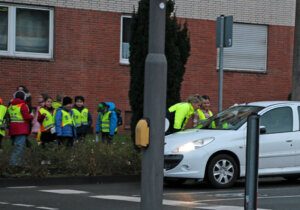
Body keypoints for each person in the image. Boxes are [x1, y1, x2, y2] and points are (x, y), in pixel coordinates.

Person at [8, 91, 33, 165]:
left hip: (13, 129)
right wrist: (32, 115)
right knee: (19, 147)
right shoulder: (23, 105)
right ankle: (14, 164)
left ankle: (21, 163)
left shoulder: (11, 106)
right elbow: (26, 117)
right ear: (24, 97)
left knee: (17, 146)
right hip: (21, 129)